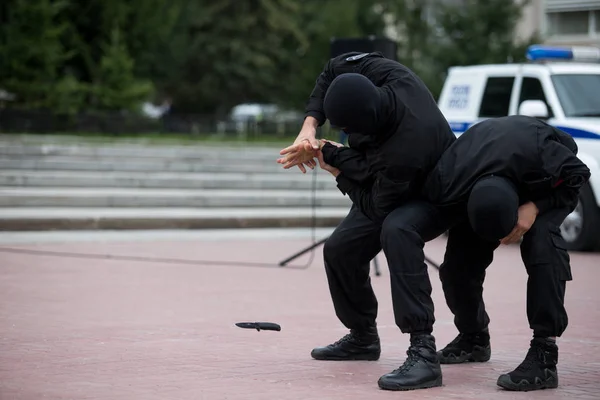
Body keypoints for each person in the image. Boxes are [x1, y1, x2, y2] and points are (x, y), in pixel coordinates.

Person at [277, 51, 456, 391]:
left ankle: (423, 352)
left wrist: (336, 169)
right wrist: (310, 125)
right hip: (387, 179)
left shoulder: (404, 148)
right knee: (341, 248)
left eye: (348, 129)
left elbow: (377, 205)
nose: (345, 133)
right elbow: (332, 68)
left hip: (433, 190)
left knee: (397, 229)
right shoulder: (384, 72)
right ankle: (362, 337)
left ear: (366, 120)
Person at [420, 115, 591, 392]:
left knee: (543, 245)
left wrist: (535, 206)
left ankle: (544, 355)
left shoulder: (546, 154)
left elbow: (578, 175)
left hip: (544, 177)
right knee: (457, 266)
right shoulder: (447, 179)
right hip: (483, 182)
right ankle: (473, 338)